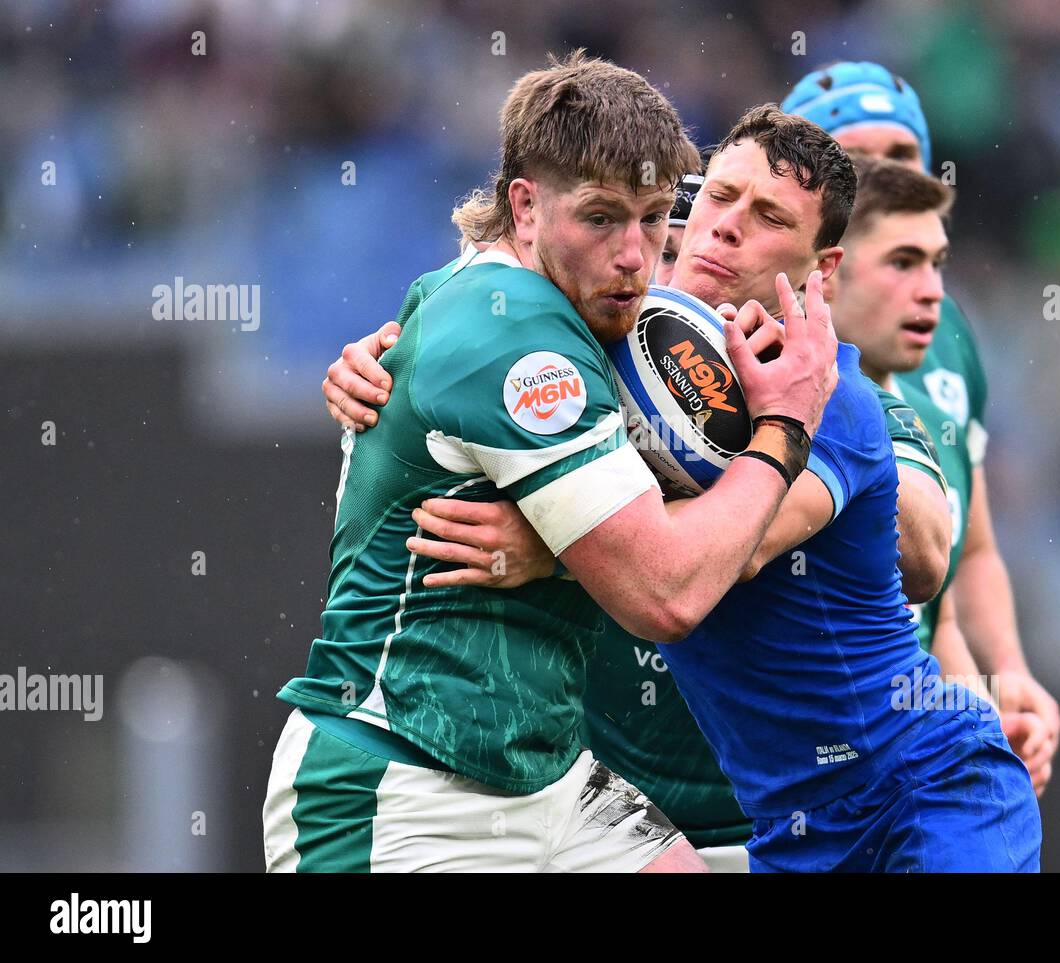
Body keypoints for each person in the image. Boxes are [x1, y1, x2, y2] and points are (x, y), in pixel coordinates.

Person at [326, 105, 1040, 872]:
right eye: (718, 196)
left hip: (923, 788)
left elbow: (737, 547)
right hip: (786, 831)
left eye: (768, 216)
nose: (726, 226)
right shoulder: (605, 342)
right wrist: (388, 358)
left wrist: (557, 544)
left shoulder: (817, 391)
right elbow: (483, 305)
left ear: (821, 269)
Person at [263, 53, 840, 873]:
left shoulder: (510, 294)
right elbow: (662, 592)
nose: (636, 256)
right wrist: (784, 427)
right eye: (602, 217)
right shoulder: (521, 340)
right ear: (525, 206)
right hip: (402, 787)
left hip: (546, 780)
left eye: (651, 217)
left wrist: (555, 548)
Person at [782, 61, 1060, 794]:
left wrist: (1005, 678)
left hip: (890, 758)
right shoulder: (742, 349)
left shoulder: (950, 338)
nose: (876, 175)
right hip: (758, 780)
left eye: (899, 158)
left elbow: (969, 553)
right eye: (849, 155)